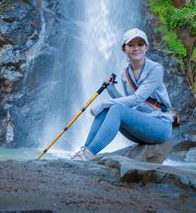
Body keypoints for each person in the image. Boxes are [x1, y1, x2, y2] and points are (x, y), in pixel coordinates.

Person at [71, 28, 174, 161]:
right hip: (139, 127)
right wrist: (111, 88)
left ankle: (87, 155)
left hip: (160, 126)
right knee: (109, 109)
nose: (135, 48)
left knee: (110, 107)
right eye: (130, 45)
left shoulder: (155, 70)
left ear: (146, 47)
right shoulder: (125, 75)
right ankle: (85, 150)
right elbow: (127, 106)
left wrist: (103, 103)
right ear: (124, 49)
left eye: (140, 44)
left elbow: (137, 99)